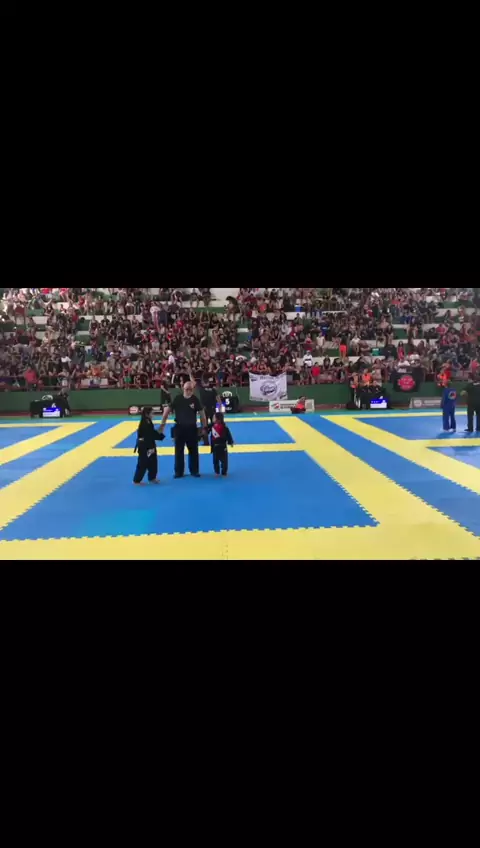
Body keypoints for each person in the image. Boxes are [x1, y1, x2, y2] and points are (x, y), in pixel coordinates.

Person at [159, 382, 207, 478]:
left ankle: (194, 471)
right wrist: (162, 425)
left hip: (192, 428)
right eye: (186, 389)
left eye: (190, 389)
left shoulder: (195, 399)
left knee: (193, 451)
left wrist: (204, 427)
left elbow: (202, 415)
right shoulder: (178, 398)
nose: (188, 391)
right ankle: (179, 472)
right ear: (183, 389)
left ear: (193, 390)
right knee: (179, 451)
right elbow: (167, 411)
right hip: (179, 428)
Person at [133, 407, 165, 485]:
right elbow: (150, 434)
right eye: (152, 413)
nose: (153, 414)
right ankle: (137, 480)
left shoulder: (148, 421)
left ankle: (152, 478)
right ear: (147, 414)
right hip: (144, 446)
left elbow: (152, 432)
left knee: (153, 461)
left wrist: (160, 432)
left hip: (150, 444)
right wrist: (160, 435)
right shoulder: (145, 423)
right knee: (143, 462)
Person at [210, 412, 234, 477]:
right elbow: (206, 429)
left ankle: (224, 472)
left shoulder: (224, 427)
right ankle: (217, 471)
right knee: (215, 460)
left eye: (214, 417)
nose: (213, 418)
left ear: (218, 419)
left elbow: (228, 435)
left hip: (222, 446)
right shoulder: (212, 426)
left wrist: (230, 442)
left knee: (224, 461)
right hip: (215, 446)